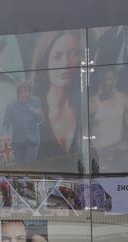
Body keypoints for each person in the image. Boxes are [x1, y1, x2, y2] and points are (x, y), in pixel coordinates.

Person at [31, 31, 83, 160]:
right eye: (57, 56)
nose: (66, 63)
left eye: (74, 54)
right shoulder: (31, 112)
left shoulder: (87, 106)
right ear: (45, 62)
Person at [89, 67, 128, 151]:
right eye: (104, 80)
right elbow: (83, 132)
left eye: (109, 79)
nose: (106, 83)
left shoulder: (124, 100)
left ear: (116, 80)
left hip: (118, 152)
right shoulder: (92, 104)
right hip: (99, 154)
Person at [1, 81, 43, 165]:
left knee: (30, 166)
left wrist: (36, 112)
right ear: (18, 93)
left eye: (26, 92)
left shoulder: (36, 102)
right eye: (21, 92)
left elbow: (40, 119)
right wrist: (5, 134)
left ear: (30, 93)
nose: (24, 94)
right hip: (18, 141)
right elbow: (6, 122)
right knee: (19, 166)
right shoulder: (11, 105)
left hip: (32, 141)